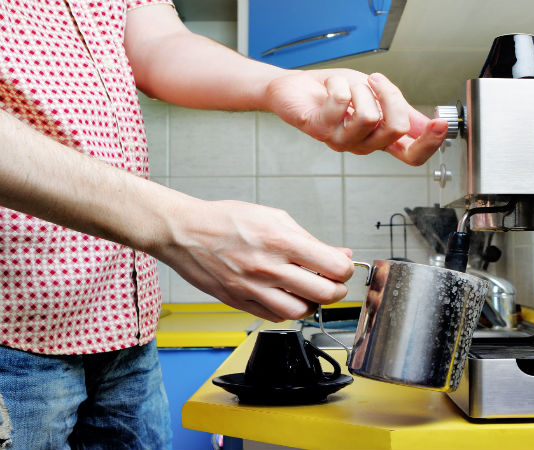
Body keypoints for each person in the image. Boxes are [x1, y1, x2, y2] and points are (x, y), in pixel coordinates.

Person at [0, 1, 447, 448]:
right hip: (11, 331)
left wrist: (278, 83)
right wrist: (179, 225)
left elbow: (158, 45)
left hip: (124, 331)